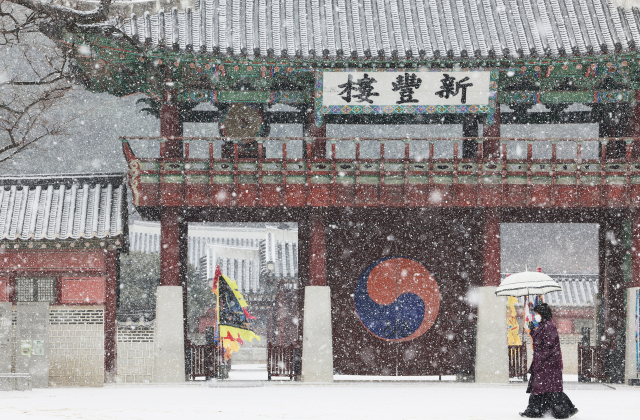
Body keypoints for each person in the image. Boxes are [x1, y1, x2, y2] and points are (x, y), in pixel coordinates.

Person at [520, 303, 578, 419]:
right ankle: (539, 410)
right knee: (544, 388)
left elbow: (548, 346)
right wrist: (532, 330)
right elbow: (539, 341)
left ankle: (549, 410)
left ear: (542, 314)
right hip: (544, 363)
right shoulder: (543, 325)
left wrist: (540, 359)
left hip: (548, 364)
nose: (535, 315)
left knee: (548, 389)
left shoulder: (549, 326)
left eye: (536, 313)